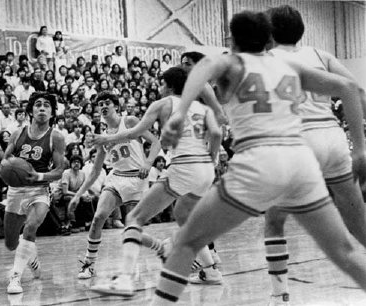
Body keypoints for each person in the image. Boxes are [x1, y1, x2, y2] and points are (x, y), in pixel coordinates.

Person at [149, 11, 366, 305]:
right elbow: (350, 87)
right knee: (345, 250)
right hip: (303, 160)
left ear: (234, 39)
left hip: (261, 161)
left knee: (186, 240)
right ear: (268, 38)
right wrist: (361, 147)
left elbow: (203, 69)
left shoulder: (233, 63)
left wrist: (179, 113)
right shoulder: (291, 63)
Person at [262, 5, 366, 305]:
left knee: (274, 219)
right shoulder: (321, 56)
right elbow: (357, 94)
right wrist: (360, 146)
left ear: (269, 33)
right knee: (358, 223)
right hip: (332, 138)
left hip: (295, 140)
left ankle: (278, 295)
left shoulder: (263, 60)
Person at [89, 67, 222, 296]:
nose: (160, 88)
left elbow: (135, 133)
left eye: (162, 84)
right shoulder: (202, 107)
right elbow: (218, 134)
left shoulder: (162, 104)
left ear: (169, 86)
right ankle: (210, 271)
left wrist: (107, 138)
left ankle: (124, 279)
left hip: (184, 167)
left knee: (134, 217)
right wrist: (211, 159)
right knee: (183, 215)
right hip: (205, 169)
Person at [67, 91, 161, 280]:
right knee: (99, 216)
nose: (103, 106)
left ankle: (161, 247)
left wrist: (148, 163)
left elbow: (156, 143)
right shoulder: (102, 137)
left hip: (138, 180)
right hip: (117, 178)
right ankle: (89, 263)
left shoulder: (131, 121)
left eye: (107, 102)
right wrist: (77, 195)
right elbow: (94, 172)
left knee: (132, 231)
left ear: (116, 106)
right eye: (100, 103)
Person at [4, 92, 65, 294]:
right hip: (15, 191)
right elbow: (5, 163)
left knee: (30, 227)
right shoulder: (17, 134)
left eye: (47, 105)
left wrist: (37, 176)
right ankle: (30, 256)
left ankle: (15, 278)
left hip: (39, 190)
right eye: (37, 104)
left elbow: (58, 171)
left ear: (52, 112)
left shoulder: (55, 137)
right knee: (11, 244)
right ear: (30, 110)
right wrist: (5, 171)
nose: (42, 108)